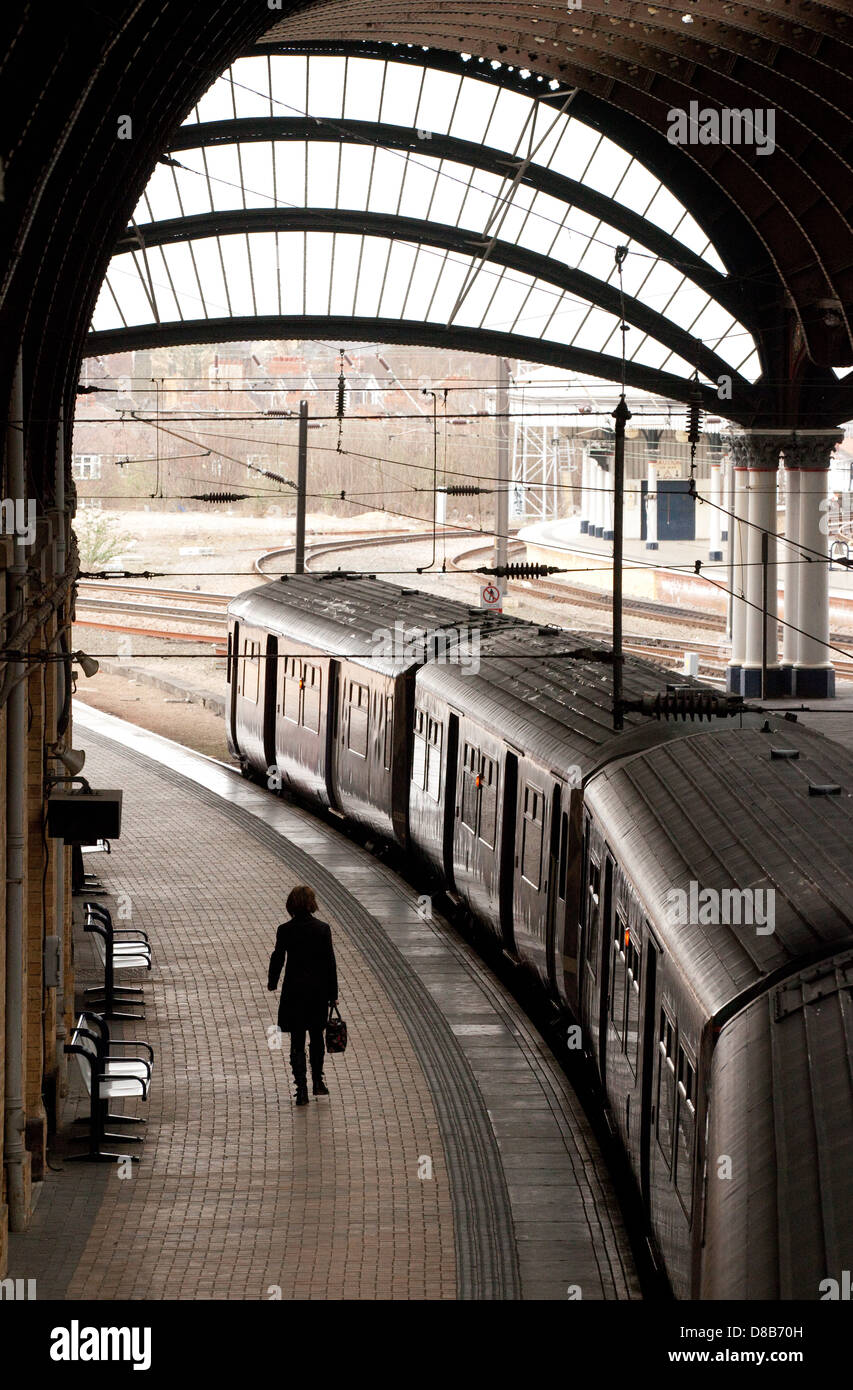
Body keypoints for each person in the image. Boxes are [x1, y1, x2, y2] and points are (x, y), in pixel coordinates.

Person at [267, 885, 338, 1107]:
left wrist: (272, 982)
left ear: (291, 905)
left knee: (297, 1040)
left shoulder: (285, 930)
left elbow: (278, 957)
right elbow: (330, 964)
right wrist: (333, 994)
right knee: (317, 1037)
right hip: (317, 993)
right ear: (311, 904)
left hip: (294, 992)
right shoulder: (323, 929)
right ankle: (318, 1079)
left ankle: (301, 1089)